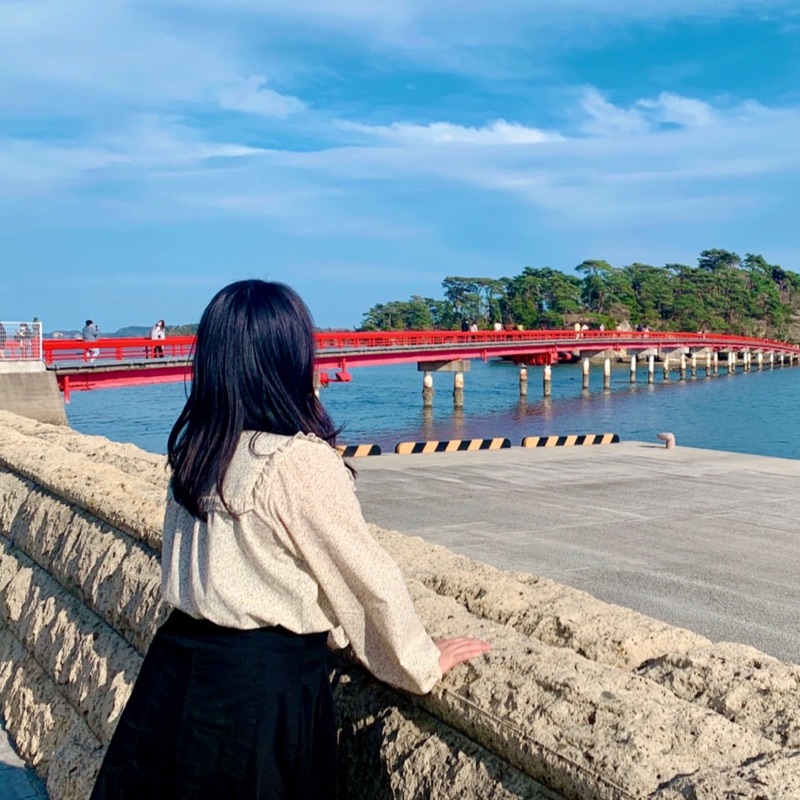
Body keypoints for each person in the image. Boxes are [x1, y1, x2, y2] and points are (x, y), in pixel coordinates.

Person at [89, 280, 490, 800]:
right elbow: (365, 576)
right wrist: (420, 661)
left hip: (173, 672)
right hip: (258, 691)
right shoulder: (293, 460)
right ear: (289, 359)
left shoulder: (198, 452)